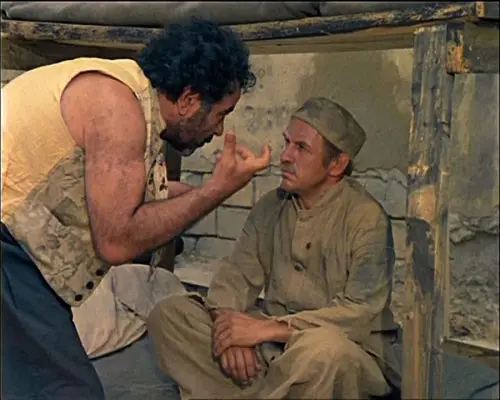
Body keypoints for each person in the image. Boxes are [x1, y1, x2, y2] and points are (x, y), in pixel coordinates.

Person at [1, 19, 271, 400]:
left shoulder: (127, 92)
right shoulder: (119, 112)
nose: (217, 130)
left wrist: (208, 190)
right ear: (189, 101)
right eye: (220, 114)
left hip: (16, 249)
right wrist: (216, 190)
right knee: (66, 392)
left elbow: (126, 193)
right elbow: (117, 242)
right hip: (10, 252)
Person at [147, 97, 402, 400]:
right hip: (273, 349)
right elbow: (235, 278)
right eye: (287, 143)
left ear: (337, 164)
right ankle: (272, 391)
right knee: (170, 315)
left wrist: (266, 329)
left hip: (344, 349)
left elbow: (358, 314)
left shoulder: (366, 218)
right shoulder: (272, 205)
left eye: (302, 148)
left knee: (324, 353)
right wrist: (231, 335)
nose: (286, 156)